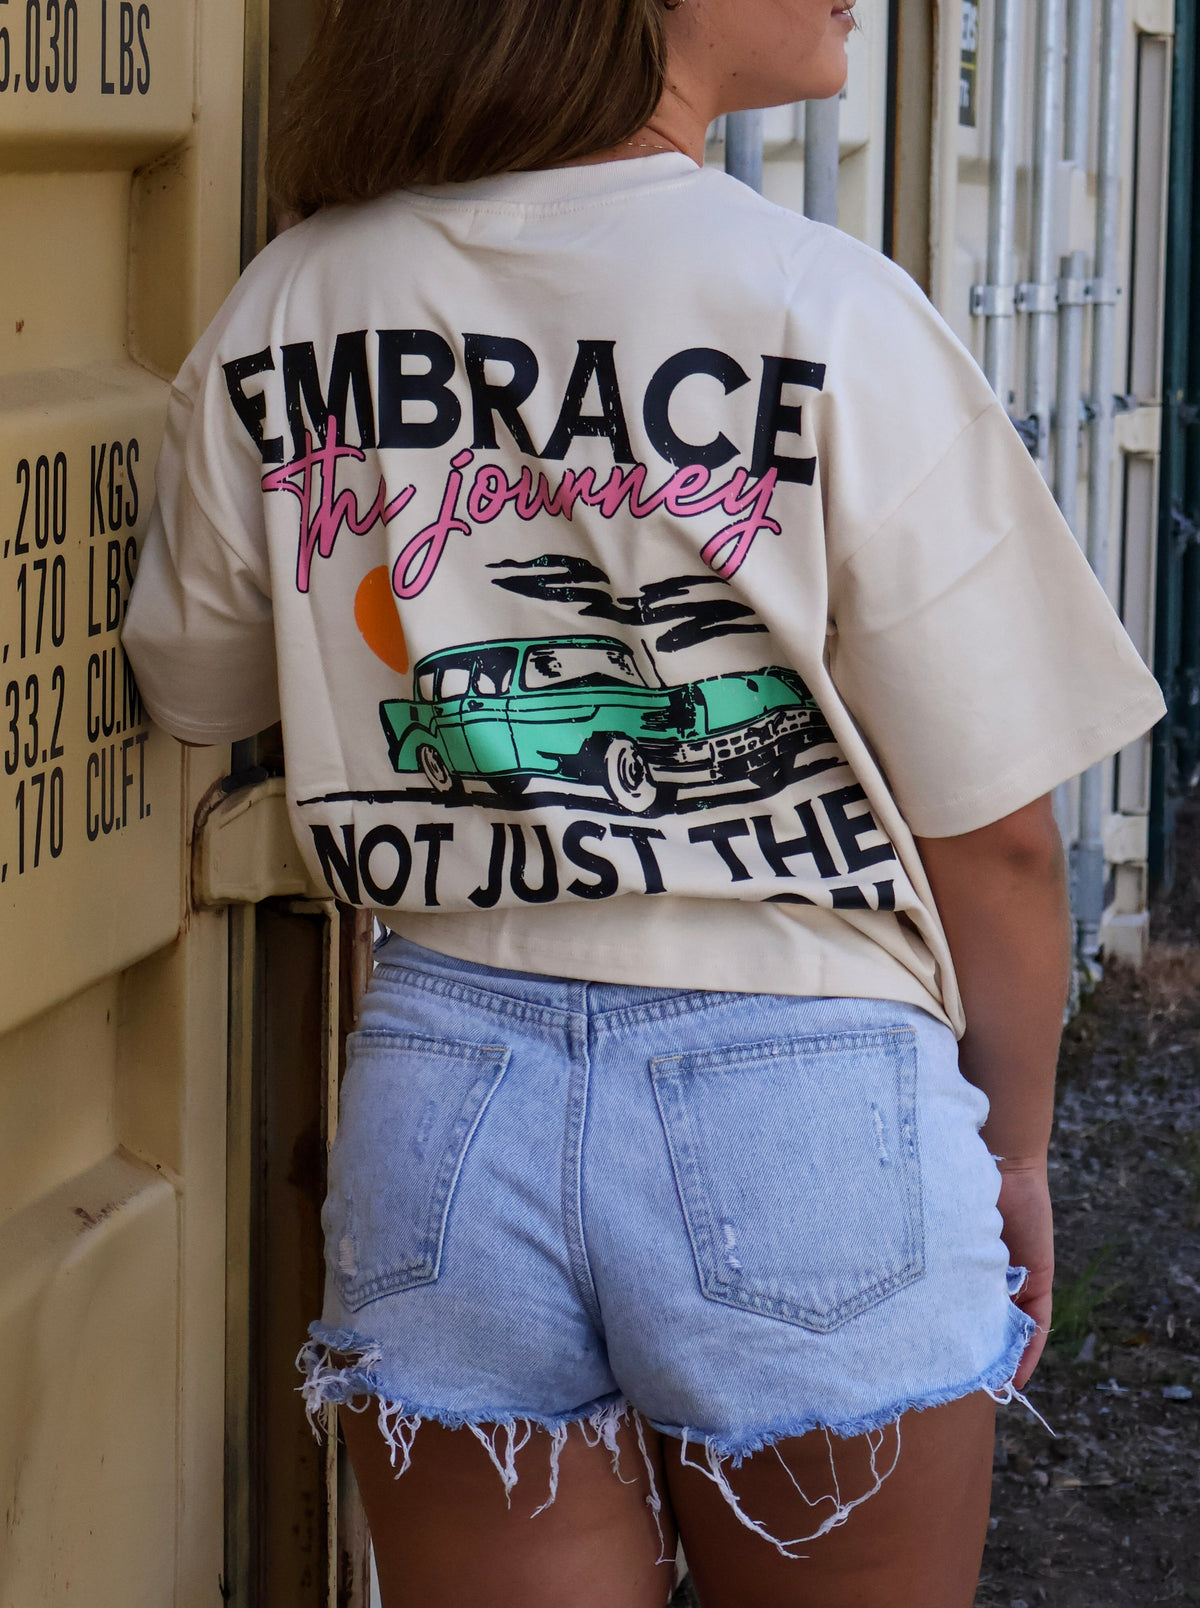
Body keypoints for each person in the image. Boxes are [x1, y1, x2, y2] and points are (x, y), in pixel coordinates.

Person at [122, 0, 1165, 1602]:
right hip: (806, 1093)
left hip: (445, 1083)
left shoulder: (299, 297)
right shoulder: (826, 306)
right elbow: (1005, 835)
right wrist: (1013, 1150)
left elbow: (194, 689)